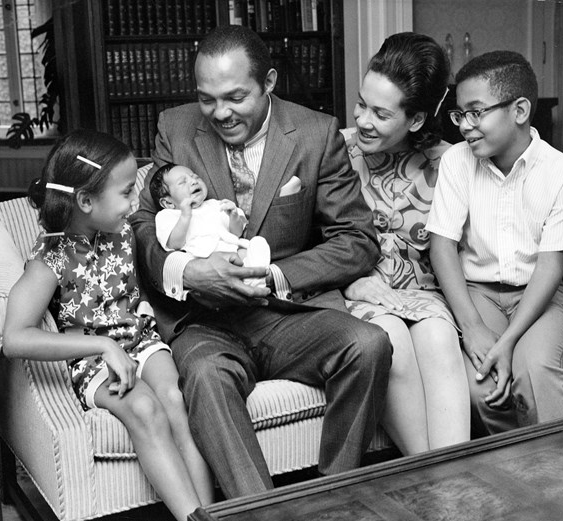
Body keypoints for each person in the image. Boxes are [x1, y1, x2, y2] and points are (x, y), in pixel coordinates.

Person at [129, 24, 393, 498]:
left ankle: (333, 501)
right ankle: (260, 513)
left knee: (369, 344)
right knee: (207, 377)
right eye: (207, 99)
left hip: (286, 314)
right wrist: (187, 271)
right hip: (205, 320)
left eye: (234, 97)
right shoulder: (175, 127)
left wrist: (274, 275)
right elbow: (147, 228)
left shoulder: (315, 132)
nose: (220, 113)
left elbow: (356, 238)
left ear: (269, 82)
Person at [2, 130, 214, 521]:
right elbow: (14, 338)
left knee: (173, 397)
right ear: (85, 200)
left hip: (141, 340)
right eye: (126, 193)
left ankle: (213, 514)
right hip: (93, 360)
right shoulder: (50, 257)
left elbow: (133, 292)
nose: (136, 204)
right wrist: (104, 347)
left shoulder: (124, 233)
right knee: (146, 408)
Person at [426, 51, 563, 436]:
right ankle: (514, 474)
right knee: (483, 388)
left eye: (476, 112)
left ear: (519, 110)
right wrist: (473, 328)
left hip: (539, 293)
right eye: (459, 114)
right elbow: (442, 246)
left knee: (533, 375)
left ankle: (560, 479)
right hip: (478, 291)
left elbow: (551, 266)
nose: (465, 126)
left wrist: (509, 342)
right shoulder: (457, 163)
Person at [341, 32, 470, 454]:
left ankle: (449, 483)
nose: (362, 121)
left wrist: (562, 256)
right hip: (354, 291)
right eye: (361, 104)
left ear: (415, 120)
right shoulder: (334, 152)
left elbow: (507, 213)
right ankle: (436, 481)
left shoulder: (452, 162)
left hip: (423, 295)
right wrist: (350, 282)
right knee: (389, 336)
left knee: (437, 335)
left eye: (380, 113)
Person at [150, 163, 250, 257]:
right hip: (201, 260)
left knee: (254, 248)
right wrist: (185, 216)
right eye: (182, 182)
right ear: (168, 203)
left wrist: (234, 216)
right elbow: (174, 245)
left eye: (195, 177)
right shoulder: (167, 216)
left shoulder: (215, 205)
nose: (194, 181)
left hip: (233, 251)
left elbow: (237, 233)